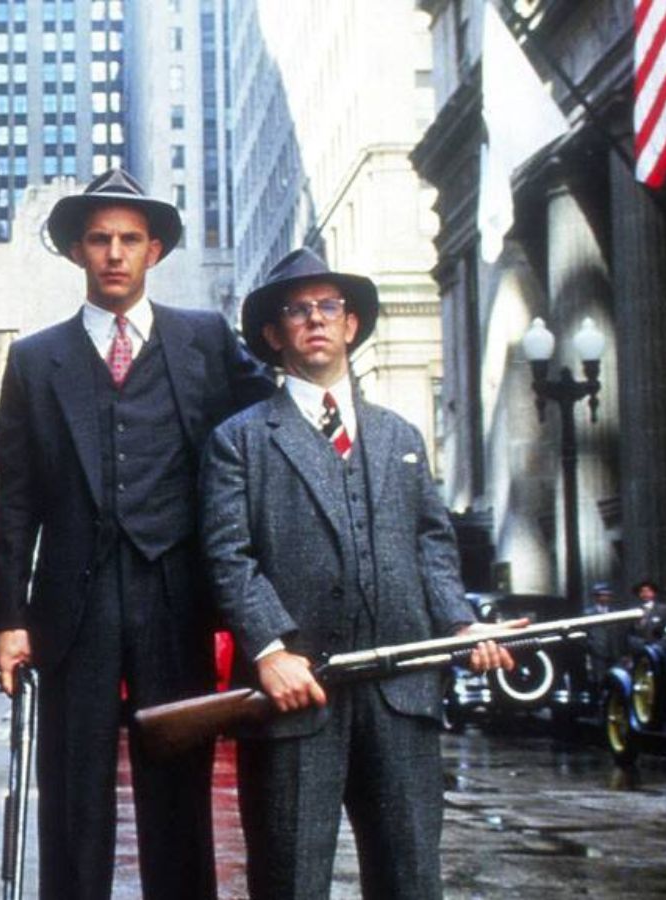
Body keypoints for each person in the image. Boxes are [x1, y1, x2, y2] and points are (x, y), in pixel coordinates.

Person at [0, 169, 275, 899]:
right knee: (73, 792)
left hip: (175, 599)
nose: (114, 253)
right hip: (71, 607)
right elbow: (15, 501)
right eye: (99, 239)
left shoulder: (205, 340)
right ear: (78, 252)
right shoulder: (33, 360)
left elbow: (271, 427)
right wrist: (9, 619)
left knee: (178, 785)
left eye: (129, 240)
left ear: (154, 251)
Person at [200, 248, 516, 899]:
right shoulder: (241, 440)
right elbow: (228, 555)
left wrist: (461, 624)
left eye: (328, 307)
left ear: (350, 324)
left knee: (411, 880)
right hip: (297, 693)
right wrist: (269, 650)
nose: (315, 319)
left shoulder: (400, 434)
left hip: (403, 696)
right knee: (289, 880)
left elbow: (433, 545)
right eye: (297, 309)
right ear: (273, 333)